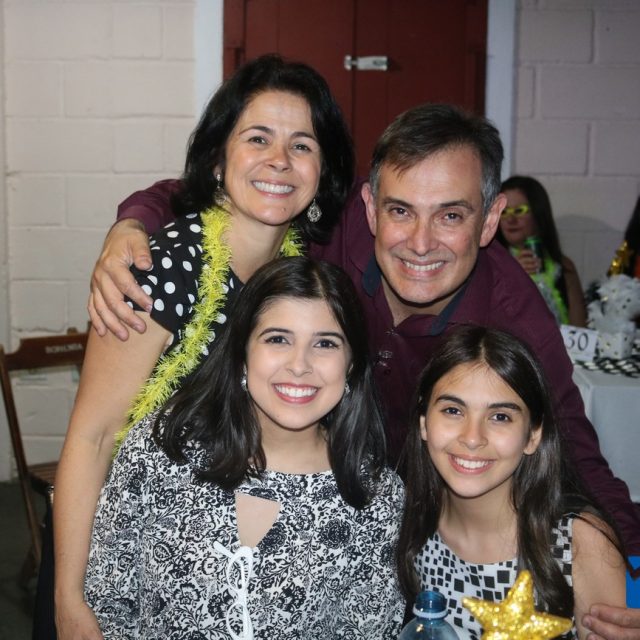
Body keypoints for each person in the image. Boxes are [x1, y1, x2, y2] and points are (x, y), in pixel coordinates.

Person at [88, 103, 640, 638]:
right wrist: (133, 221)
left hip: (399, 526)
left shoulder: (517, 318)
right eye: (401, 211)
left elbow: (578, 454)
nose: (420, 242)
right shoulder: (337, 218)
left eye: (451, 216)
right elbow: (219, 190)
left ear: (490, 219)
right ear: (371, 207)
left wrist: (634, 580)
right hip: (291, 473)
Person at [53, 54, 354, 640]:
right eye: (258, 138)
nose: (279, 160)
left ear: (322, 172)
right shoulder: (159, 270)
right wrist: (70, 596)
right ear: (218, 160)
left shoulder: (298, 277)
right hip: (122, 556)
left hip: (220, 562)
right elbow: (92, 437)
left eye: (302, 145)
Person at [84, 256, 405, 639]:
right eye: (278, 339)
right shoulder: (167, 445)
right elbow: (107, 597)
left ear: (350, 365)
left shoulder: (376, 498)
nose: (299, 365)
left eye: (325, 343)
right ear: (242, 353)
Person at [396, 325, 627, 640]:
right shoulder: (406, 522)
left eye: (500, 417)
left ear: (533, 435)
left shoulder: (579, 543)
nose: (473, 438)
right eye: (452, 410)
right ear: (424, 423)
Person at [498, 175, 587, 327]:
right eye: (504, 212)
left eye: (519, 210)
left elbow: (579, 328)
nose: (510, 219)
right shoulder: (485, 264)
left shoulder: (564, 266)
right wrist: (512, 276)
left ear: (538, 213)